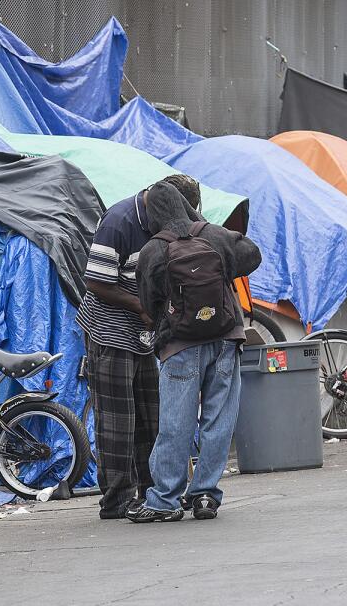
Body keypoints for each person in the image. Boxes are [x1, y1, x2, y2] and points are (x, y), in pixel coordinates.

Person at [125, 181, 261, 522]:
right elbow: (253, 255)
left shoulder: (153, 251)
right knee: (218, 419)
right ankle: (204, 496)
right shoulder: (214, 235)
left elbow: (147, 301)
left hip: (180, 345)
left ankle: (165, 500)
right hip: (226, 338)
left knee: (175, 422)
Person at [76, 173, 203, 519]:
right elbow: (96, 282)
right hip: (110, 330)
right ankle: (116, 500)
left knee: (152, 415)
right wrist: (141, 307)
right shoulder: (119, 221)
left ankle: (154, 493)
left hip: (144, 333)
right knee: (119, 421)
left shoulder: (164, 222)